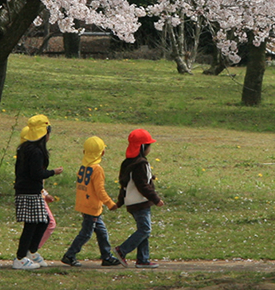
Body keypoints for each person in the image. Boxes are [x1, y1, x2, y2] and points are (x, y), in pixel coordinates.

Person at [62, 136, 123, 267]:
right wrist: (110, 203)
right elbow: (99, 190)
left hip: (84, 205)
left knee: (101, 231)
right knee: (86, 233)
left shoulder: (83, 167)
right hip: (92, 207)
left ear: (84, 152)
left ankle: (106, 256)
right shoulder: (97, 169)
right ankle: (70, 255)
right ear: (102, 153)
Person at [13, 115, 63, 270]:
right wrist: (52, 172)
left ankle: (31, 251)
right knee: (32, 224)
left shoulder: (24, 149)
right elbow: (36, 174)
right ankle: (21, 257)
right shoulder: (36, 152)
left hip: (27, 191)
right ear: (44, 133)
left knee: (43, 221)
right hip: (30, 192)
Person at [113, 128, 163, 268]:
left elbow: (123, 184)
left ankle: (143, 259)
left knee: (143, 230)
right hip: (140, 202)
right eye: (149, 145)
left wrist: (121, 201)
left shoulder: (127, 163)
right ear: (142, 147)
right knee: (145, 230)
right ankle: (121, 250)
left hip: (132, 202)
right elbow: (143, 185)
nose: (150, 148)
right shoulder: (141, 164)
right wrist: (156, 199)